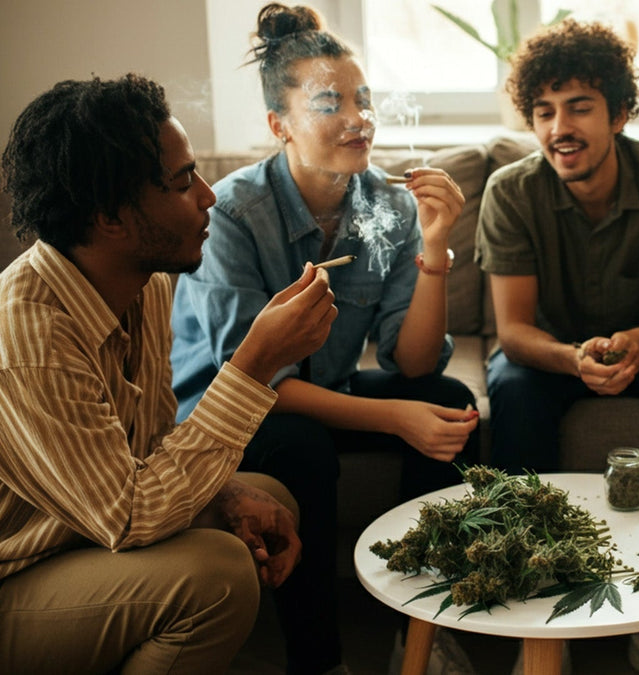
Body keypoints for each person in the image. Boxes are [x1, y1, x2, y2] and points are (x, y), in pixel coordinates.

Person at [170, 4, 480, 673]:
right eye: (330, 103)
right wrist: (394, 417)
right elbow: (257, 385)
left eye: (363, 101)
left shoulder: (390, 208)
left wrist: (434, 246)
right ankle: (319, 659)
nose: (357, 118)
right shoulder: (231, 214)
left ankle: (422, 625)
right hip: (225, 417)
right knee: (303, 447)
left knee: (451, 399)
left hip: (322, 393)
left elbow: (413, 360)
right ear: (279, 125)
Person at [0, 74, 335, 674]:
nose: (209, 197)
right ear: (110, 218)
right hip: (18, 577)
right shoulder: (29, 337)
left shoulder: (145, 283)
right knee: (218, 576)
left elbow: (150, 447)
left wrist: (227, 494)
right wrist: (253, 364)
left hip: (81, 537)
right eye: (183, 183)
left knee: (269, 499)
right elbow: (128, 515)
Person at [475, 18, 639, 674]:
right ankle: (534, 607)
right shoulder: (510, 191)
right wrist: (569, 357)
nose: (560, 127)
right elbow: (512, 331)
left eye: (579, 107)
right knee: (508, 385)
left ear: (619, 113)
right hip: (551, 354)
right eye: (544, 111)